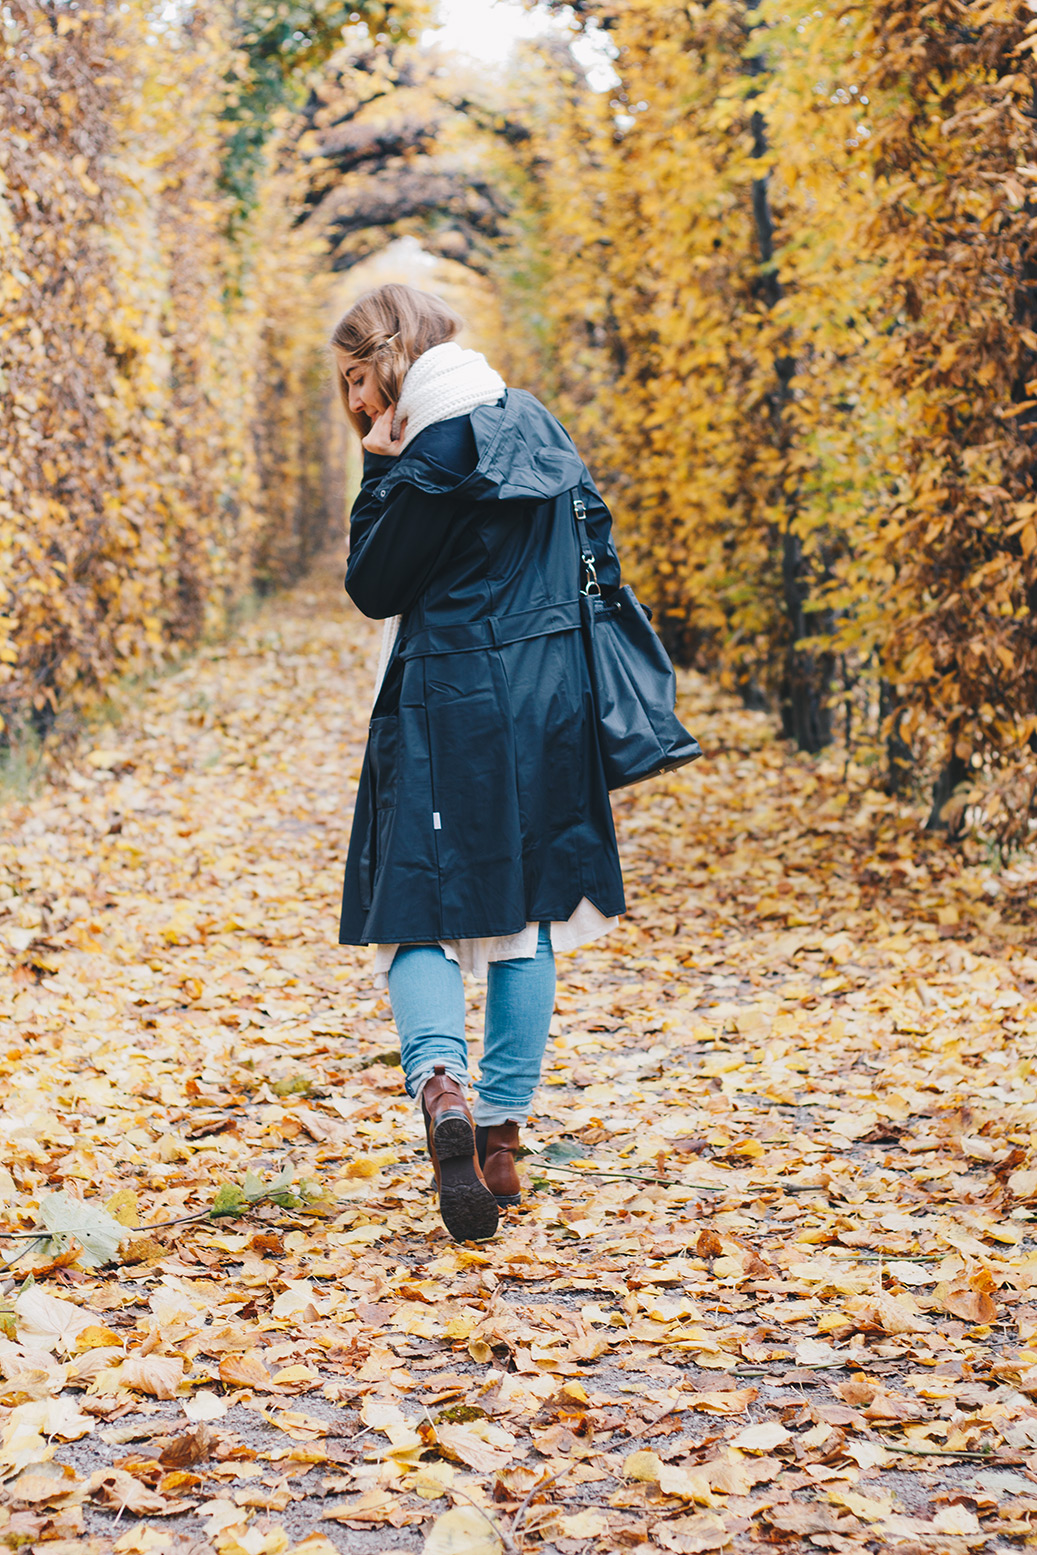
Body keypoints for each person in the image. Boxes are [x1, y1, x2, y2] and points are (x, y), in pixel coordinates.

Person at [332, 282, 625, 1243]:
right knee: (526, 911)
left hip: (446, 694)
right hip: (548, 701)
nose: (356, 406)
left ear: (389, 363)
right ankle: (498, 1137)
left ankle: (441, 1085)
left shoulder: (430, 448)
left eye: (355, 381)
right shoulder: (534, 423)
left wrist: (377, 472)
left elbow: (374, 587)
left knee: (412, 901)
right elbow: (595, 559)